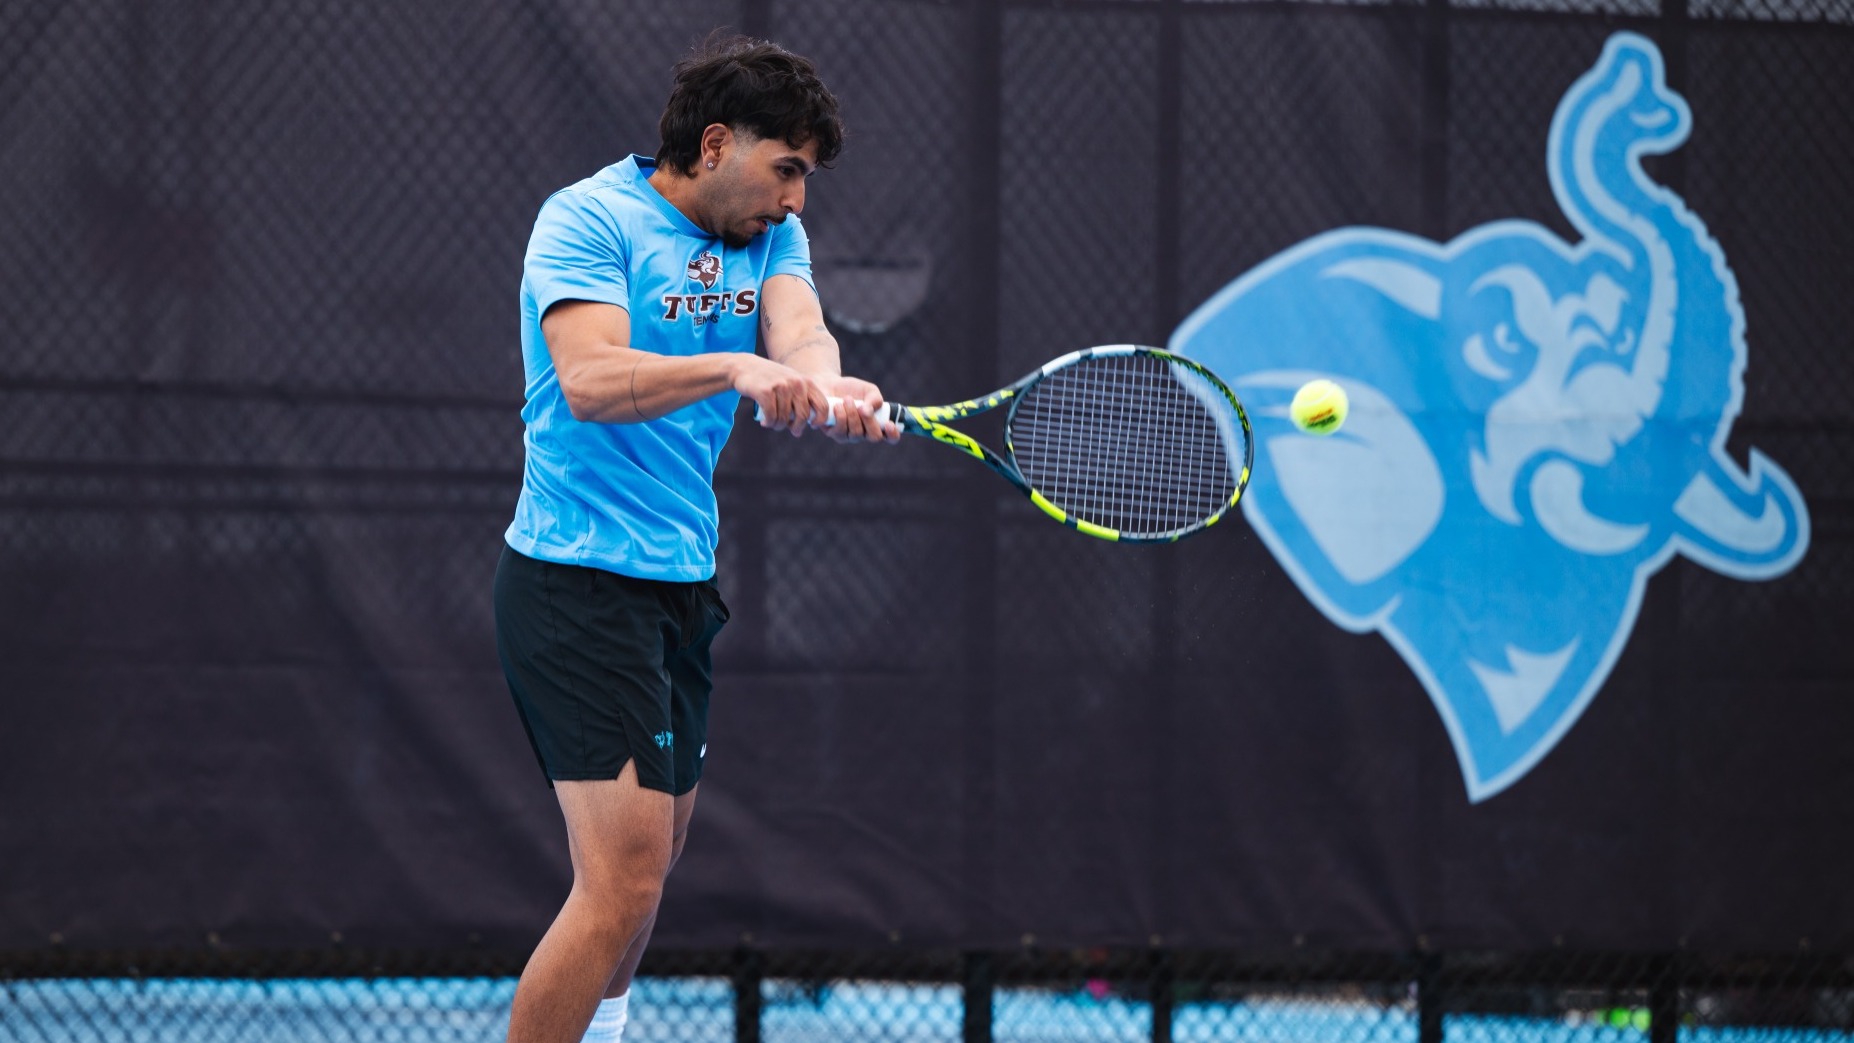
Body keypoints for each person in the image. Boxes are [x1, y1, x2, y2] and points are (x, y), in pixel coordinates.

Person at [492, 33, 898, 1043]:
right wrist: (733, 369)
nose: (797, 199)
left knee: (652, 866)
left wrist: (827, 376)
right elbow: (587, 381)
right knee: (620, 883)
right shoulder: (588, 221)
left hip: (680, 581)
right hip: (577, 581)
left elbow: (799, 329)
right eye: (786, 168)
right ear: (716, 144)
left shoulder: (771, 239)